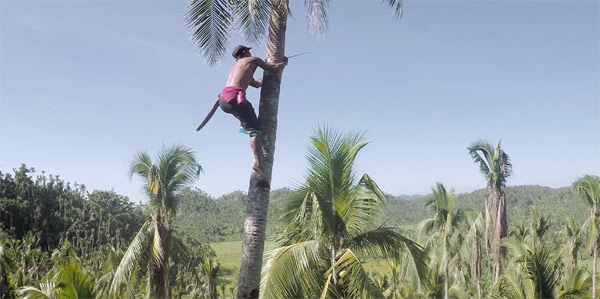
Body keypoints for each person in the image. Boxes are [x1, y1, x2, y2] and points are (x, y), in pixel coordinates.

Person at [218, 45, 287, 187]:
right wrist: (284, 63)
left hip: (223, 100)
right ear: (245, 52)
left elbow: (256, 84)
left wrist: (265, 77)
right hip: (235, 98)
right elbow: (274, 69)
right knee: (255, 131)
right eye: (248, 50)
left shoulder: (236, 67)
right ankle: (258, 163)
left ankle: (246, 128)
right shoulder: (252, 60)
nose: (251, 52)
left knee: (249, 123)